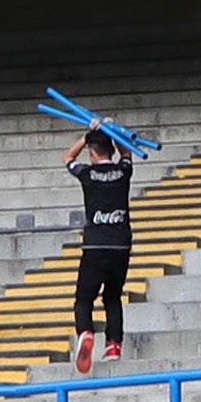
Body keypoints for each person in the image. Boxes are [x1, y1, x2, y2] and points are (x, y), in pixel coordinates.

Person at [66, 125, 137, 370]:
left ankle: (85, 330)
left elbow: (67, 158)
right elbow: (127, 154)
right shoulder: (122, 171)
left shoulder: (86, 173)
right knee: (113, 296)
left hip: (95, 243)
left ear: (92, 152)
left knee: (84, 298)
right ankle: (114, 344)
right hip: (121, 244)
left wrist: (86, 136)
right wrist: (113, 130)